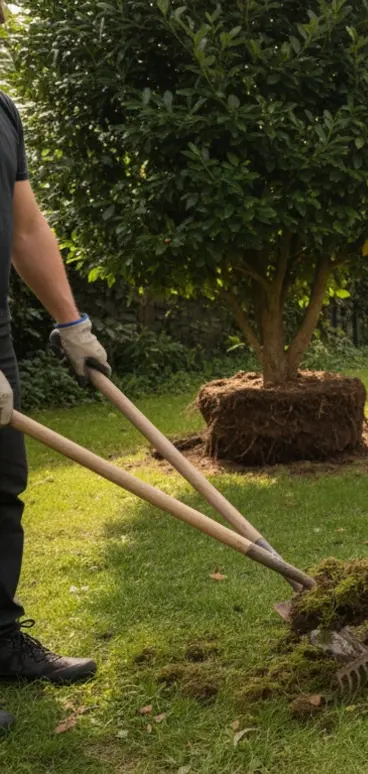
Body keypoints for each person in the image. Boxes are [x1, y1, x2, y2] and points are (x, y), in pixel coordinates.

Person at [0, 91, 110, 734]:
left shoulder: (3, 110)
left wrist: (72, 324)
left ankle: (1, 640)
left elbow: (26, 227)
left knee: (3, 487)